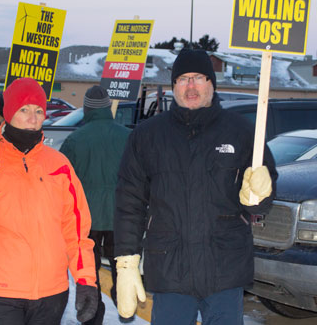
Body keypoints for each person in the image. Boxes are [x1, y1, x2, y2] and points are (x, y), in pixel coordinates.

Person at [113, 48, 278, 325]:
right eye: (183, 79)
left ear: (211, 84)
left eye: (199, 77)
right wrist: (127, 261)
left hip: (224, 270)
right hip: (169, 271)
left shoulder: (242, 132)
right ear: (174, 86)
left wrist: (260, 194)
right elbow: (129, 202)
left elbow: (261, 203)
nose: (191, 86)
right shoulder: (148, 136)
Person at [0, 77, 98, 325]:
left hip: (51, 294)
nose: (33, 118)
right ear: (8, 112)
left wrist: (85, 280)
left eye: (38, 111)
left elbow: (76, 232)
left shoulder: (59, 165)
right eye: (24, 109)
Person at [59, 85, 131, 324]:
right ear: (108, 108)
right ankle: (125, 304)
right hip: (121, 215)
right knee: (122, 265)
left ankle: (92, 315)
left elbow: (62, 183)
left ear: (87, 109)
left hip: (86, 218)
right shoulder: (128, 136)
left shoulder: (74, 140)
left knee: (89, 271)